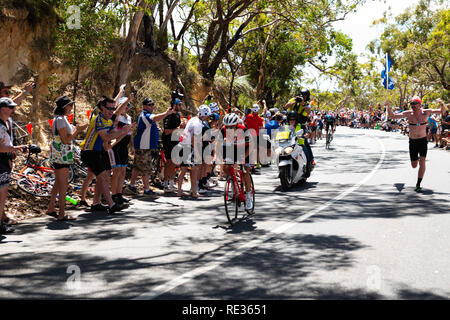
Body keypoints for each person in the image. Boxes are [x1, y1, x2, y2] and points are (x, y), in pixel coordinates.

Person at [80, 96, 133, 214]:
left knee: (104, 176)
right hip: (89, 151)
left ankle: (96, 203)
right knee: (102, 176)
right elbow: (106, 137)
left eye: (113, 109)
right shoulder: (98, 119)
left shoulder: (109, 120)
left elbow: (114, 133)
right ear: (102, 108)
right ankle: (111, 204)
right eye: (109, 108)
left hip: (100, 151)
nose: (111, 111)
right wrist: (123, 131)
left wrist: (125, 130)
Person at [386, 96, 446, 192]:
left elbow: (442, 112)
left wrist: (442, 104)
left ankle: (418, 184)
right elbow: (393, 116)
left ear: (419, 104)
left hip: (422, 141)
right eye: (411, 104)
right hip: (413, 141)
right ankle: (417, 159)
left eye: (414, 104)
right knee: (414, 165)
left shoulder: (426, 112)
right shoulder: (408, 114)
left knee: (422, 162)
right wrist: (388, 107)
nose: (412, 106)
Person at [45, 96, 88, 221]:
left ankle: (51, 208)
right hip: (62, 155)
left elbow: (67, 135)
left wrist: (79, 128)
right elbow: (66, 139)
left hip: (61, 154)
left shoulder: (60, 119)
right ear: (65, 107)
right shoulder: (60, 120)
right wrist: (77, 131)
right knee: (63, 185)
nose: (71, 108)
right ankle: (61, 213)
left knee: (58, 183)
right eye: (70, 105)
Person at [128, 98, 174, 195]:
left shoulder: (146, 116)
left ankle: (131, 186)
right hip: (143, 146)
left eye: (153, 105)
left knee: (136, 167)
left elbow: (150, 124)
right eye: (150, 105)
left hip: (144, 146)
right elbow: (156, 118)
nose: (152, 107)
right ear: (144, 106)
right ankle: (147, 189)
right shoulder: (145, 115)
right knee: (146, 168)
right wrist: (166, 113)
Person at [0, 98, 28, 234]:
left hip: (4, 162)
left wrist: (11, 154)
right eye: (10, 107)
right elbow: (0, 147)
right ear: (2, 109)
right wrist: (17, 148)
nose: (13, 109)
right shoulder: (0, 125)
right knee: (2, 195)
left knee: (2, 195)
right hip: (0, 163)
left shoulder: (7, 123)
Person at [175, 105, 211, 198]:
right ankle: (194, 192)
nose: (208, 118)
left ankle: (179, 191)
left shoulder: (193, 119)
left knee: (183, 170)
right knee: (194, 170)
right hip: (189, 147)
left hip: (182, 144)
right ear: (204, 115)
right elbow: (194, 140)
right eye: (207, 116)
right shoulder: (199, 124)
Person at [221, 112, 254, 210]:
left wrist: (243, 158)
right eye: (227, 126)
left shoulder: (244, 130)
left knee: (245, 171)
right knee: (226, 167)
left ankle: (248, 196)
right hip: (233, 149)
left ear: (236, 125)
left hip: (246, 150)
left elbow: (251, 146)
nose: (229, 129)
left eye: (231, 127)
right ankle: (233, 183)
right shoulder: (223, 130)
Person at [110, 96, 134, 206]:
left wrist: (132, 146)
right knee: (117, 171)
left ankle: (119, 193)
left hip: (124, 146)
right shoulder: (117, 117)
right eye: (124, 105)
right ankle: (113, 194)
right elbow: (117, 111)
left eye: (128, 106)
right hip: (116, 145)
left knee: (123, 171)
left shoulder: (128, 117)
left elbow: (130, 132)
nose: (127, 108)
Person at [284, 90, 315, 168]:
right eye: (301, 95)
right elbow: (285, 107)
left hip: (300, 125)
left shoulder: (307, 104)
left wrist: (303, 104)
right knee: (283, 142)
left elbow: (308, 112)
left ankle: (310, 161)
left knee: (304, 143)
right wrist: (294, 102)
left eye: (304, 96)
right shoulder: (293, 99)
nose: (302, 97)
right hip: (289, 124)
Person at [162, 98, 182, 193]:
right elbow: (166, 131)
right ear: (174, 105)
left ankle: (171, 183)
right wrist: (177, 129)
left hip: (175, 140)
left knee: (174, 162)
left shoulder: (178, 115)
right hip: (168, 141)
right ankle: (166, 184)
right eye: (179, 104)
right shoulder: (168, 115)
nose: (180, 106)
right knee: (169, 162)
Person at [244, 103, 265, 172]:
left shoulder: (248, 116)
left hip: (248, 135)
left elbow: (245, 124)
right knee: (254, 151)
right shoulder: (259, 118)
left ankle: (249, 165)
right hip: (255, 136)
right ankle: (253, 166)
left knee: (249, 150)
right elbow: (262, 127)